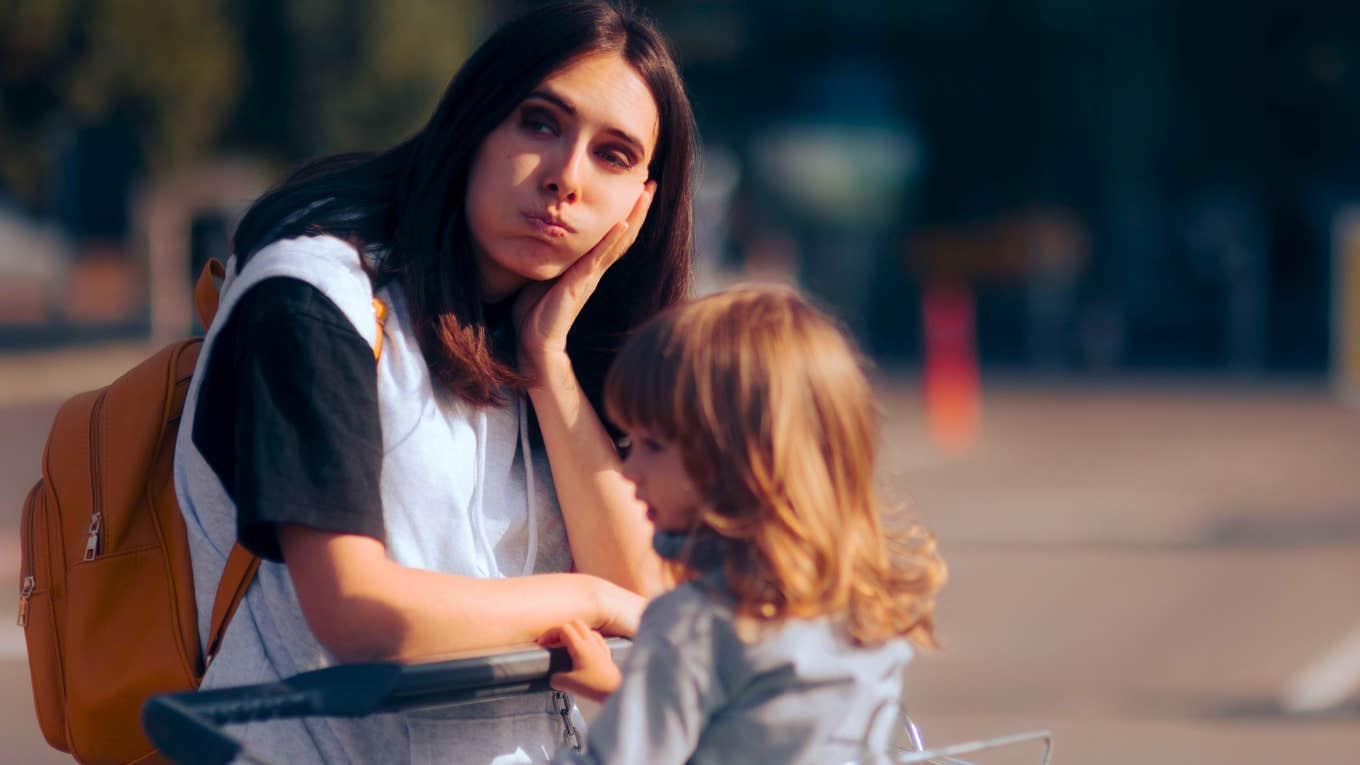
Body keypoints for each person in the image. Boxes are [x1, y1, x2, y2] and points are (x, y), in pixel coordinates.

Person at [172, 2, 696, 763]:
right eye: (540, 123)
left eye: (613, 155)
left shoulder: (556, 341)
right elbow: (355, 610)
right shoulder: (316, 294)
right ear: (474, 120)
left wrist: (547, 361)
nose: (565, 179)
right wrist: (585, 599)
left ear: (641, 204)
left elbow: (639, 593)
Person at [540, 286, 948, 764]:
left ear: (736, 461)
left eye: (652, 446)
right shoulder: (863, 604)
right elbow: (769, 727)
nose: (629, 472)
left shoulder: (695, 623)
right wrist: (625, 691)